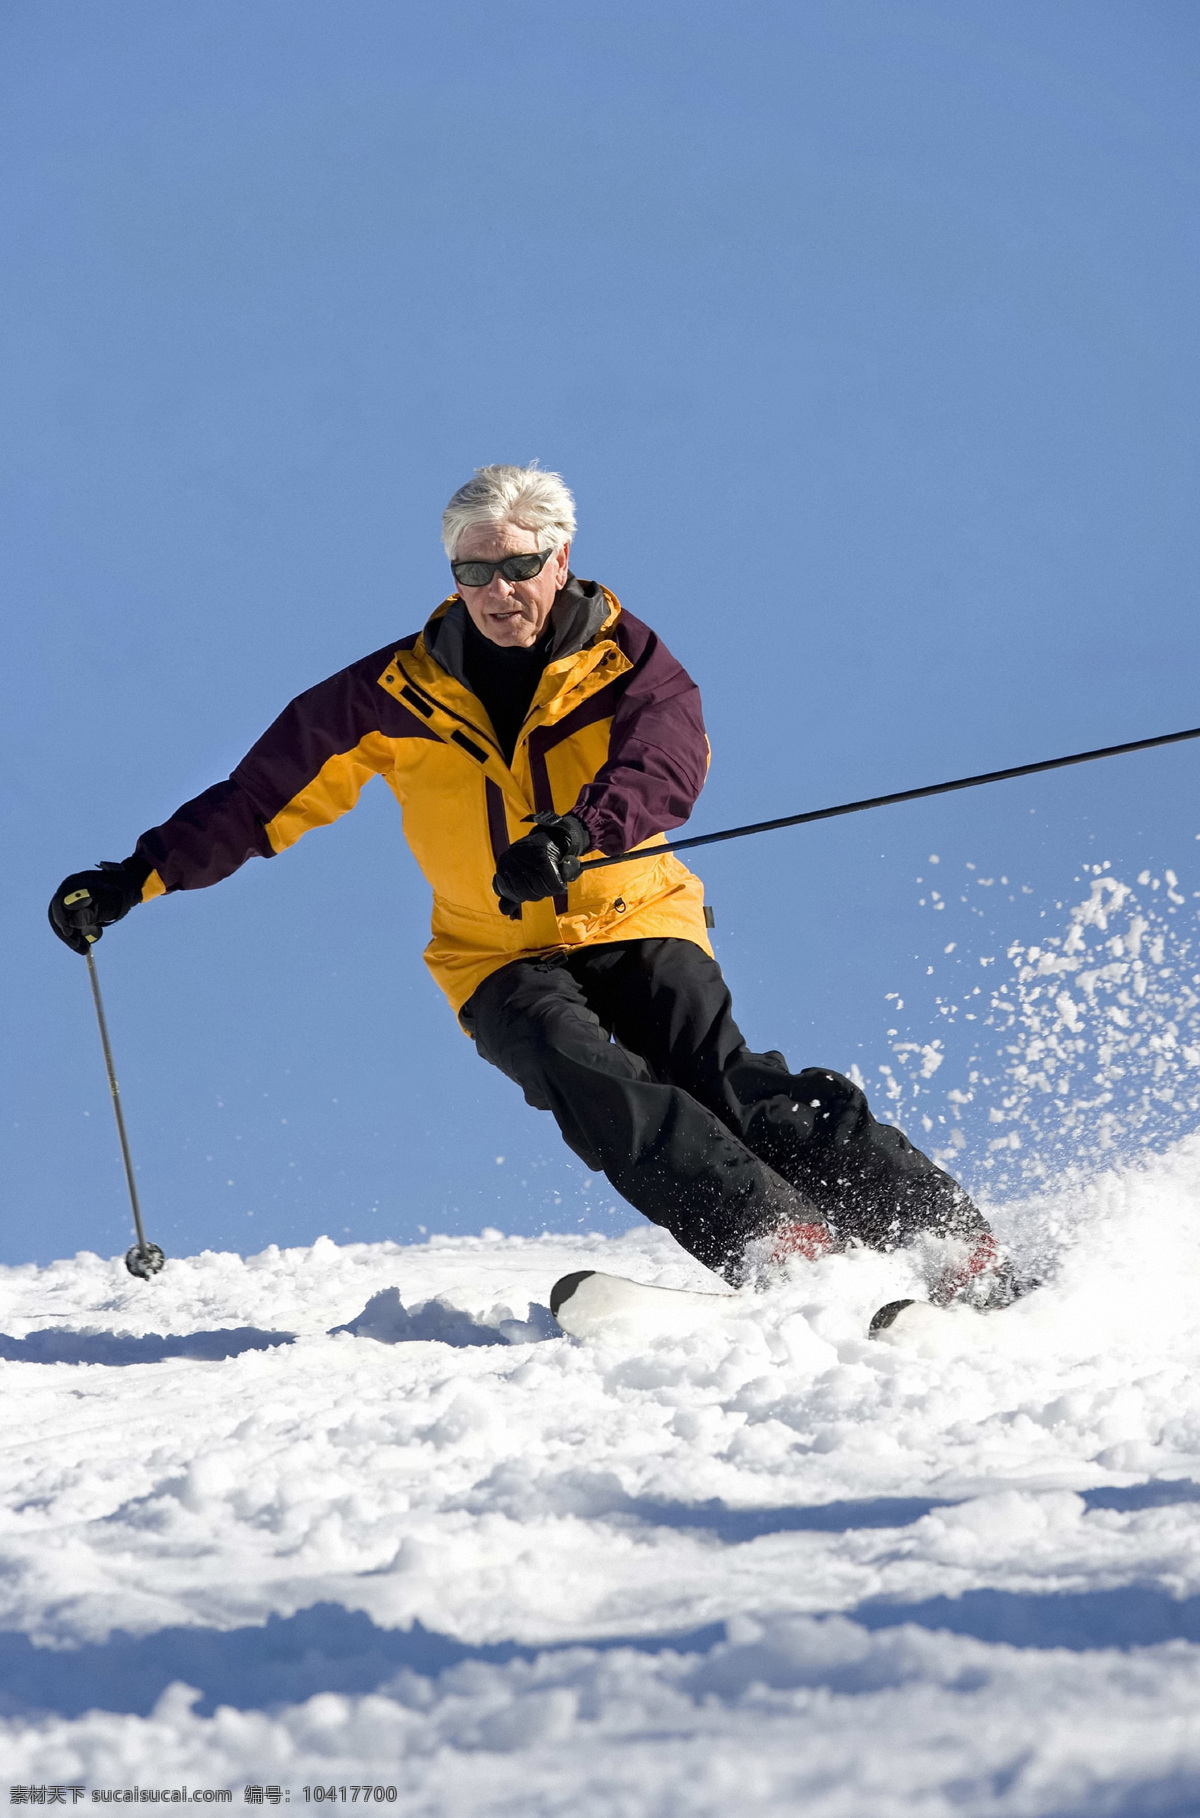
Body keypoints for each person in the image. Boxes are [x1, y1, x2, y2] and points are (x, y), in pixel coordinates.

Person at [49, 464, 1006, 1303]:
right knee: (596, 1084)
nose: (497, 590)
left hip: (632, 914)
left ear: (560, 557)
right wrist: (138, 876)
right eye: (473, 571)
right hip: (492, 955)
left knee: (727, 1085)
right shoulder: (389, 693)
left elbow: (665, 765)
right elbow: (261, 798)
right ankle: (787, 1249)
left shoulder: (628, 661)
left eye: (515, 567)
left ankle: (952, 1245)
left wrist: (579, 834)